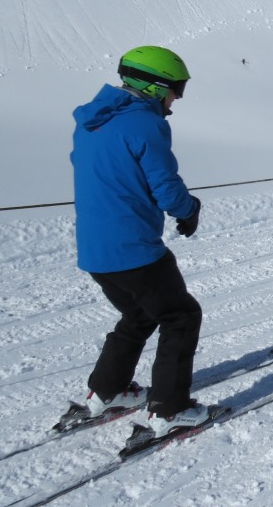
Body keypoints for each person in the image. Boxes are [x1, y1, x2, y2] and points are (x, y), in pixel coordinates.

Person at [71, 46, 208, 439]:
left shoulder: (92, 121)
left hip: (95, 250)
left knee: (139, 315)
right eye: (176, 89)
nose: (177, 98)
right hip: (134, 250)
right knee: (181, 317)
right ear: (155, 86)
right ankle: (170, 409)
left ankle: (107, 391)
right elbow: (165, 186)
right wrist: (189, 209)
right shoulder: (145, 124)